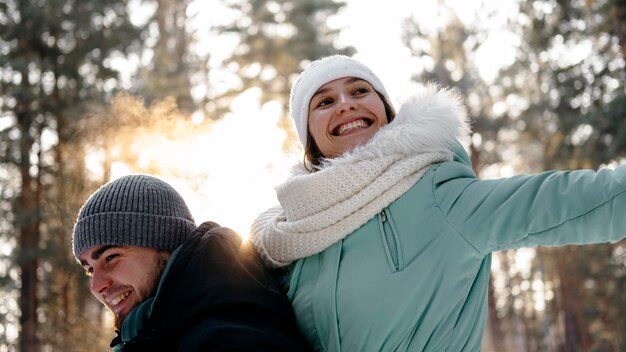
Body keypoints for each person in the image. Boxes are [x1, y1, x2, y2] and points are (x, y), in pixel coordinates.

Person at [250, 55, 626, 351]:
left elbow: (575, 202)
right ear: (310, 138)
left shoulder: (437, 194)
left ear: (386, 111)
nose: (346, 104)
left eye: (360, 91)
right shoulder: (288, 240)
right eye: (326, 101)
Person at [72, 174, 309, 351]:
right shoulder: (161, 334)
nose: (97, 286)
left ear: (165, 244)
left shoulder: (232, 339)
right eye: (90, 270)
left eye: (111, 257)